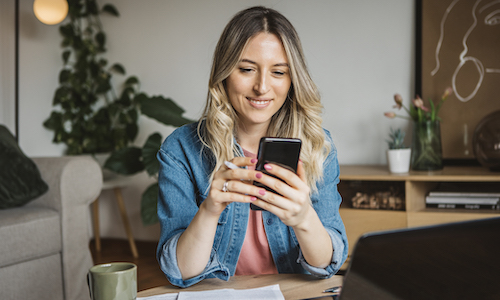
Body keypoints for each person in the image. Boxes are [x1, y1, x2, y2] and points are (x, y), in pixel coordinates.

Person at [156, 6, 348, 288]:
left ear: (292, 80)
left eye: (278, 72)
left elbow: (327, 265)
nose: (262, 87)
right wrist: (210, 209)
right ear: (224, 73)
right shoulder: (181, 150)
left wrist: (304, 218)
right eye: (246, 69)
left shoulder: (318, 146)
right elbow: (179, 271)